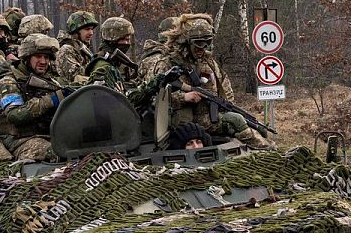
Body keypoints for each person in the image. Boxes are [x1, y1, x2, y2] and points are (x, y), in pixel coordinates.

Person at [142, 14, 268, 147]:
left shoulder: (208, 62)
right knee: (236, 121)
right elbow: (151, 97)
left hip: (208, 117)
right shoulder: (167, 64)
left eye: (207, 43)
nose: (203, 48)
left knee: (250, 123)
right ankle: (265, 149)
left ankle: (267, 149)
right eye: (198, 43)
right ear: (187, 42)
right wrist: (183, 97)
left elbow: (224, 85)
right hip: (182, 124)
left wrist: (226, 105)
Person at [0, 34, 67, 162]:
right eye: (38, 56)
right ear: (26, 57)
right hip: (16, 141)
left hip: (44, 135)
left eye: (46, 57)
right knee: (55, 153)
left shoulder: (51, 83)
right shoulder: (8, 82)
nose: (43, 61)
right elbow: (16, 115)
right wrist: (50, 100)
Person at [85, 16, 138, 92]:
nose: (127, 43)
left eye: (128, 39)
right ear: (112, 40)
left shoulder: (118, 62)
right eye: (124, 39)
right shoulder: (103, 66)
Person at [55, 10, 98, 83]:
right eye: (87, 29)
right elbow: (75, 77)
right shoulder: (66, 49)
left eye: (92, 29)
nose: (91, 33)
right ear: (75, 31)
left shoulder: (81, 48)